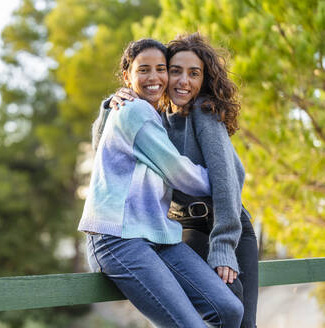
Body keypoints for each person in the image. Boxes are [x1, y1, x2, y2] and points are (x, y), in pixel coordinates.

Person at [97, 33, 258, 328]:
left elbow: (230, 180)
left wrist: (223, 245)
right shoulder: (153, 115)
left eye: (194, 74)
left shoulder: (203, 112)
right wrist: (110, 107)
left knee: (238, 317)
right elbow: (103, 150)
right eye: (175, 71)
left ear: (203, 79)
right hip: (181, 228)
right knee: (195, 317)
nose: (184, 81)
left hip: (225, 225)